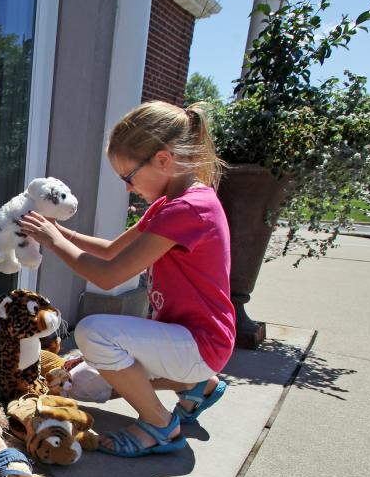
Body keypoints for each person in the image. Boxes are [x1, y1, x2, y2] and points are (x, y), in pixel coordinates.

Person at [20, 101, 234, 456]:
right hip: (194, 341)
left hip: (200, 343)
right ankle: (199, 385)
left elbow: (109, 275)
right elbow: (110, 250)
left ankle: (160, 425)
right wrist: (58, 231)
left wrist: (54, 242)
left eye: (128, 176)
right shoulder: (174, 202)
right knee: (83, 384)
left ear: (163, 160)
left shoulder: (188, 209)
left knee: (93, 333)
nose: (127, 188)